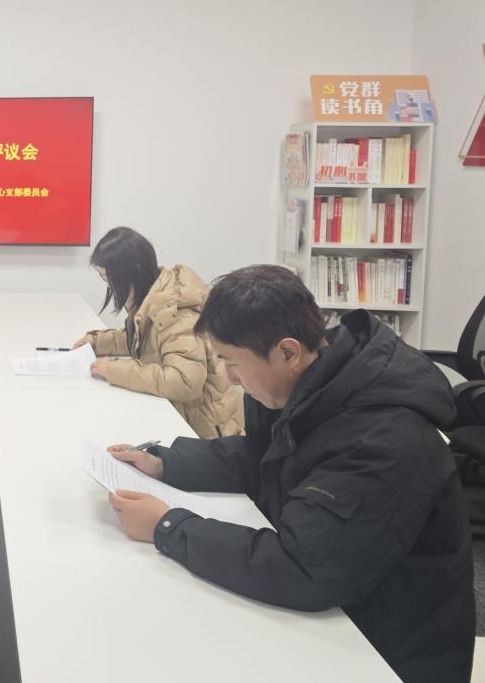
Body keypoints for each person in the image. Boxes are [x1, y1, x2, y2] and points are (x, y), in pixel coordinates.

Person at [106, 264, 474, 683]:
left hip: (386, 650)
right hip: (342, 614)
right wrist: (166, 462)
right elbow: (262, 457)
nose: (229, 378)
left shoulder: (382, 437)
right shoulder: (314, 382)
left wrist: (169, 527)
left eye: (231, 362)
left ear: (287, 352)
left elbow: (305, 570)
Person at [73, 226, 242, 438]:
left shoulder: (176, 314)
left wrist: (114, 370)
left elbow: (184, 381)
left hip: (203, 434)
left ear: (133, 271)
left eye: (109, 278)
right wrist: (98, 342)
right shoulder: (154, 298)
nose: (110, 287)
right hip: (181, 419)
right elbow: (145, 341)